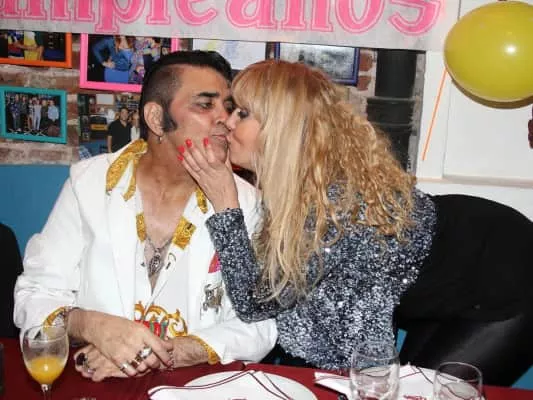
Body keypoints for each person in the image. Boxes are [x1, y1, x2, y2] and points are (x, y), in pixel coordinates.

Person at [179, 59, 533, 386]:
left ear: (280, 128)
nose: (228, 122)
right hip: (446, 288)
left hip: (508, 274)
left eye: (242, 113)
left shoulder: (335, 206)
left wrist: (224, 201)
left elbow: (256, 303)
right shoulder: (301, 185)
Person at [14, 51, 277, 383]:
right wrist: (92, 325)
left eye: (227, 106)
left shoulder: (244, 203)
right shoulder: (91, 184)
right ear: (156, 118)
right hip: (97, 382)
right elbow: (34, 295)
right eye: (205, 105)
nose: (225, 119)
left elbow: (261, 326)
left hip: (195, 385)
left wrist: (163, 353)